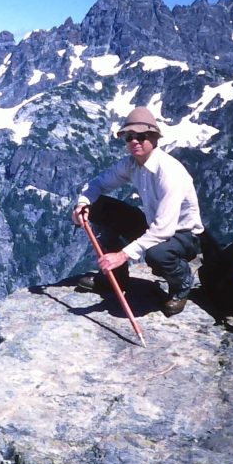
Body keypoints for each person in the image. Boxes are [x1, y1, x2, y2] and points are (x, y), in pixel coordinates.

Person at [71, 107, 205, 316]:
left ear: (154, 138)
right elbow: (98, 184)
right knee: (96, 207)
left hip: (182, 235)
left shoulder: (169, 173)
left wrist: (122, 255)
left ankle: (181, 282)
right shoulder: (132, 164)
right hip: (154, 224)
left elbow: (163, 230)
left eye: (141, 136)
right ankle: (115, 277)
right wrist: (82, 205)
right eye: (129, 137)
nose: (134, 141)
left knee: (157, 254)